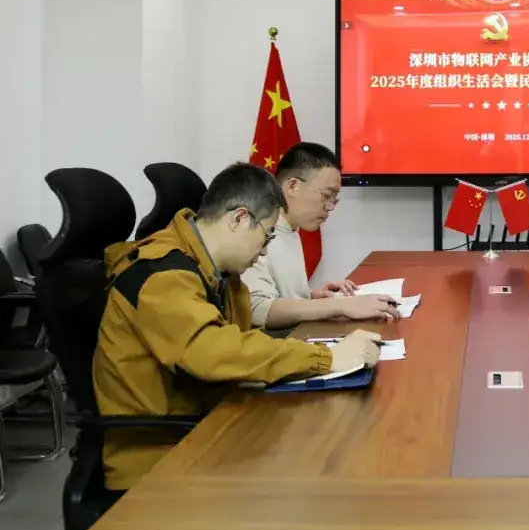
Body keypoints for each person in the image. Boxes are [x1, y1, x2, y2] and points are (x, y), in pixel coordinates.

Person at [93, 162, 382, 493]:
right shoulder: (161, 275)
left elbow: (242, 340)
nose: (265, 250)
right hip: (159, 456)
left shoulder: (218, 273)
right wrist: (326, 358)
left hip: (210, 422)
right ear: (239, 219)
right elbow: (212, 351)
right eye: (266, 235)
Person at [242, 142, 399, 329]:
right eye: (326, 196)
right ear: (292, 186)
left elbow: (278, 295)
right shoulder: (257, 231)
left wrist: (311, 296)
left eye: (334, 200)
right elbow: (258, 311)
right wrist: (338, 306)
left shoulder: (291, 228)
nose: (330, 207)